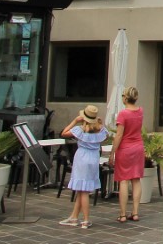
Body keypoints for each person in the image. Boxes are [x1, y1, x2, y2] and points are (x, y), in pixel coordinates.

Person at [59, 105, 107, 229]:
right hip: (94, 158)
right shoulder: (100, 130)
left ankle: (85, 219)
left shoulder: (80, 130)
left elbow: (63, 133)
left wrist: (75, 121)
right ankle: (74, 216)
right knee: (82, 188)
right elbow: (106, 134)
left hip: (82, 157)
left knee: (83, 190)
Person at [108, 85, 144, 223]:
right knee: (136, 179)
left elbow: (119, 135)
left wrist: (113, 152)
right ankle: (135, 212)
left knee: (123, 180)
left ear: (125, 97)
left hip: (125, 147)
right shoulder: (140, 111)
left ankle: (122, 214)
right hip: (138, 146)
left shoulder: (123, 114)